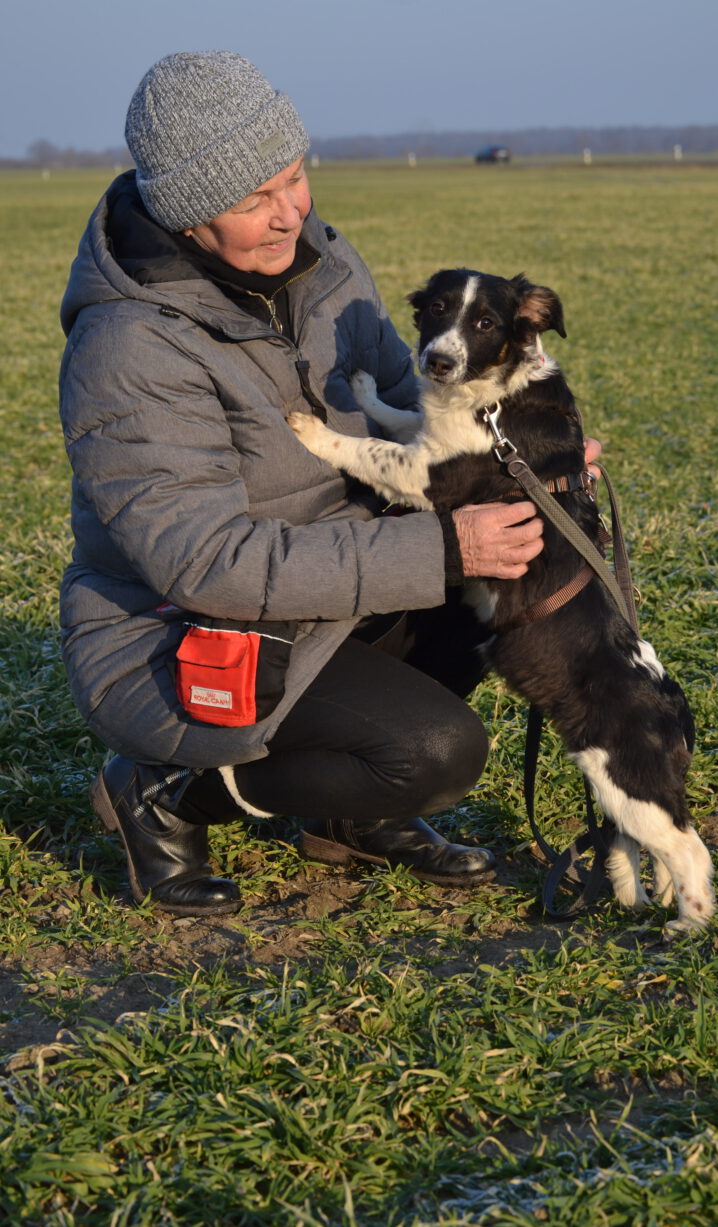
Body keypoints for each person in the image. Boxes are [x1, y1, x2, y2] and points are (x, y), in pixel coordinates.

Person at [59, 51, 598, 917]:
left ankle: (349, 816)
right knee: (437, 752)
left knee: (497, 599)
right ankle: (163, 792)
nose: (289, 216)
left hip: (332, 591)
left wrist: (527, 455)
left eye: (294, 177)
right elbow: (208, 564)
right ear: (188, 215)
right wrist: (440, 548)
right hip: (181, 635)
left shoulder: (322, 265)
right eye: (253, 200)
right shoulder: (128, 350)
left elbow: (414, 409)